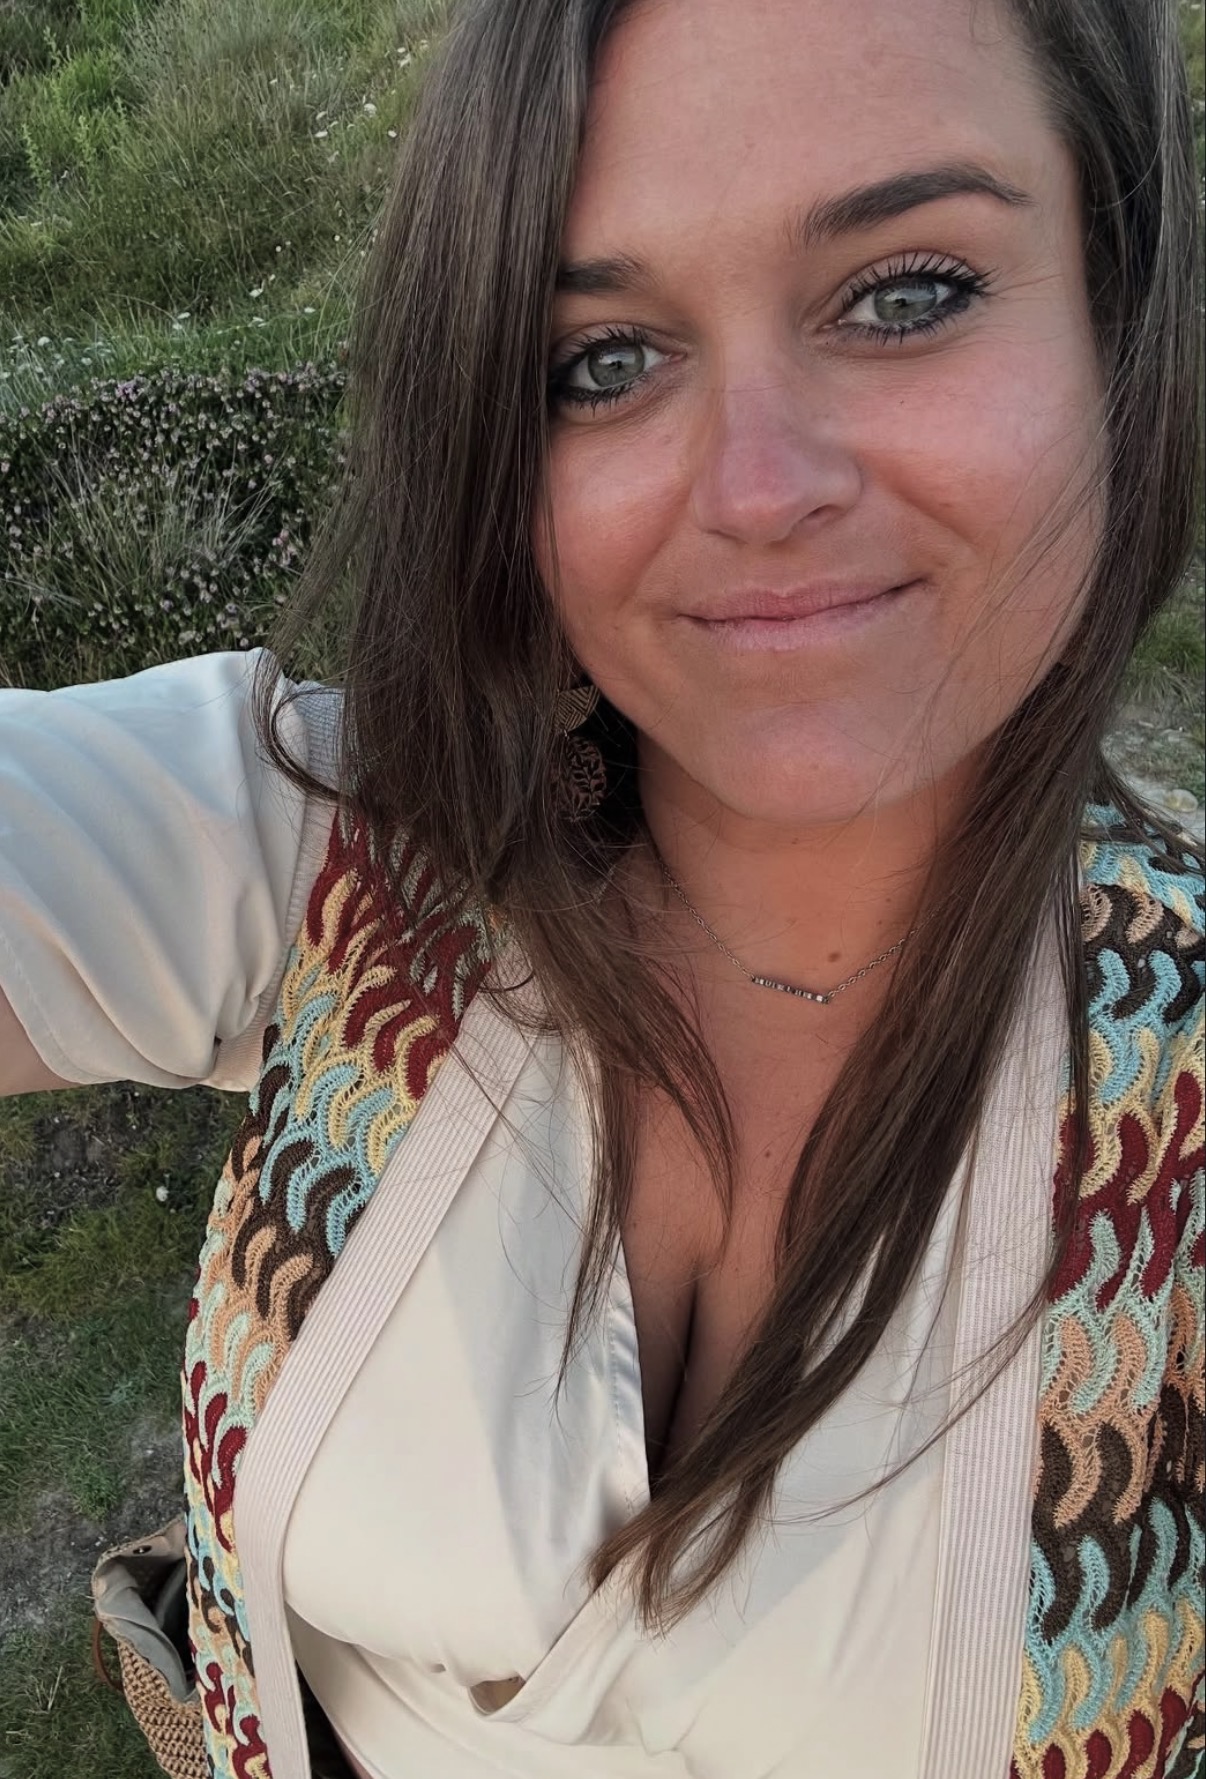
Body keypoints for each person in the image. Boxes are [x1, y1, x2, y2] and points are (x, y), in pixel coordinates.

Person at [0, 0, 1202, 1773]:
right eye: (601, 361)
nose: (760, 489)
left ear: (1119, 322)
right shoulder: (336, 852)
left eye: (906, 293)